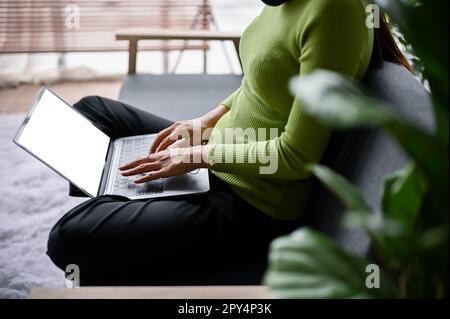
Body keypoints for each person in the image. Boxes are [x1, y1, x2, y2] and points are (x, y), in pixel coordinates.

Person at [47, 0, 410, 285]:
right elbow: (261, 79)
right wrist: (204, 122)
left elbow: (296, 155)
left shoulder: (334, 11)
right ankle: (126, 200)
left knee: (67, 236)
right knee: (91, 112)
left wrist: (199, 155)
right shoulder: (286, 2)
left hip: (250, 202)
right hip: (220, 151)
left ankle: (125, 206)